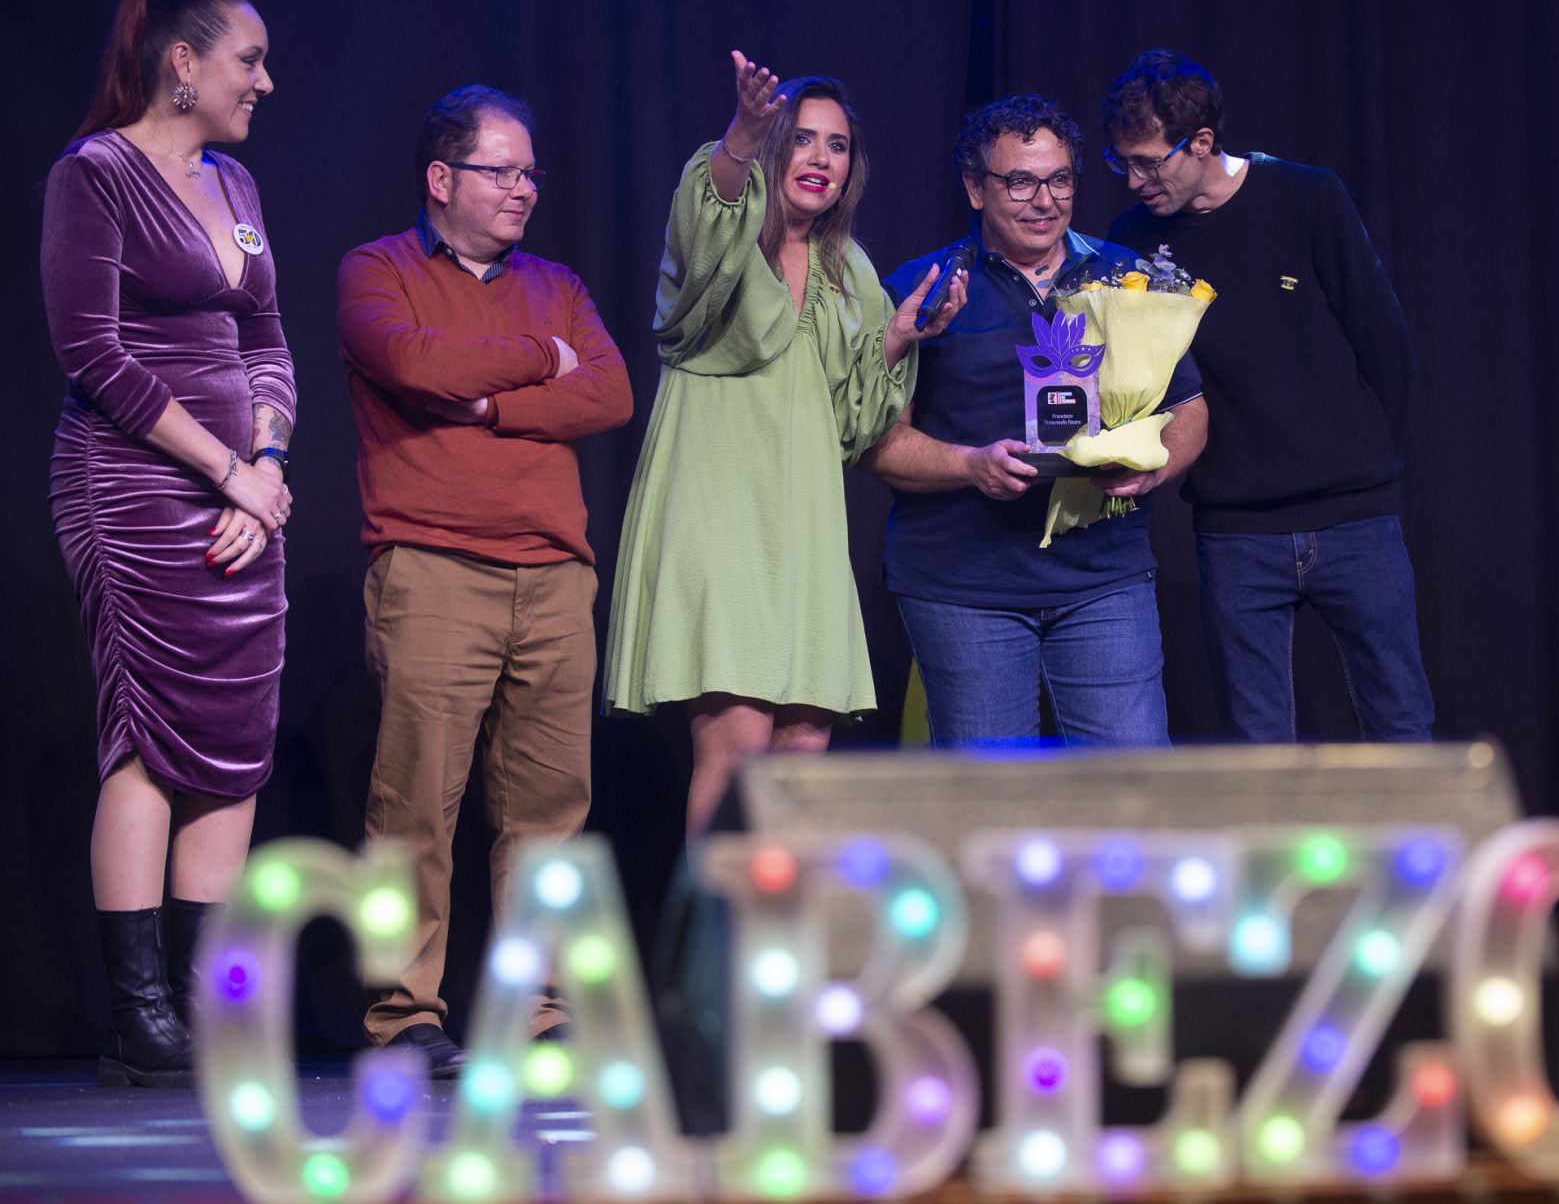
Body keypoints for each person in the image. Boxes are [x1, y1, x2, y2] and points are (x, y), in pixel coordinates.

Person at [339, 85, 633, 1076]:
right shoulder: (375, 270)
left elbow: (611, 389)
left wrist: (499, 404)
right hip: (431, 567)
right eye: (502, 171)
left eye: (530, 173)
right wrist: (537, 361)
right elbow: (410, 362)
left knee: (550, 813)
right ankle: (403, 1014)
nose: (523, 190)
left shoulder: (557, 280)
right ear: (441, 178)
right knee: (415, 802)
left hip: (554, 575)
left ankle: (537, 1016)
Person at [43, 0, 295, 1087]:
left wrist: (271, 465)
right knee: (147, 737)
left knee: (231, 747)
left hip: (243, 487)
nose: (266, 81)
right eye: (249, 59)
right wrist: (227, 470)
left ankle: (202, 1011)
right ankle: (138, 1019)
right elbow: (92, 353)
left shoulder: (234, 178)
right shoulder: (93, 176)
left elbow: (269, 341)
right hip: (134, 482)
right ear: (182, 64)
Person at [602, 53, 962, 837]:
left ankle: (774, 945)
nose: (821, 159)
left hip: (803, 526)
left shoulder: (850, 270)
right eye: (802, 139)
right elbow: (713, 207)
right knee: (737, 748)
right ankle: (711, 955)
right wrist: (742, 129)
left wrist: (900, 336)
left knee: (802, 746)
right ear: (773, 147)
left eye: (837, 146)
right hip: (721, 515)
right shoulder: (724, 237)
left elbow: (854, 426)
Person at [1101, 49, 1433, 744]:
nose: (1133, 181)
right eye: (1121, 163)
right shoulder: (1132, 240)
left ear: (1201, 144)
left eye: (1147, 162)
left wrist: (1363, 463)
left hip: (1355, 519)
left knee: (1400, 721)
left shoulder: (1307, 197)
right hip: (1235, 531)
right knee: (1256, 742)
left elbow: (1385, 345)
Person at [859, 93, 1207, 745]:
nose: (1044, 199)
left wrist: (1152, 470)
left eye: (1060, 179)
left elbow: (1188, 410)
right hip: (963, 587)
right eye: (1020, 181)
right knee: (994, 803)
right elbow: (875, 444)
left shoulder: (1125, 277)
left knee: (1126, 794)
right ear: (974, 187)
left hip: (1104, 581)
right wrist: (971, 465)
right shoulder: (924, 287)